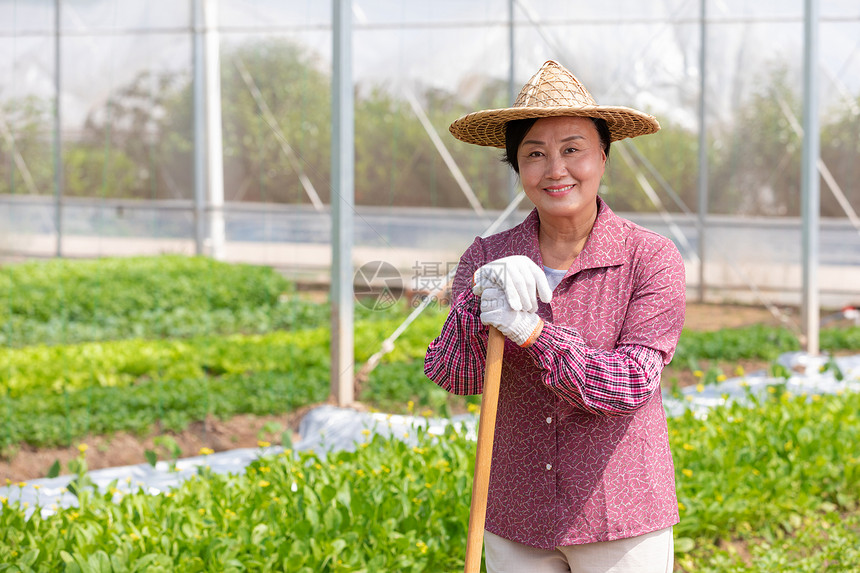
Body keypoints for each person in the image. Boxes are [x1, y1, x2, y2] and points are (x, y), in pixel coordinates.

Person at [424, 60, 686, 573]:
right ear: (517, 167)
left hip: (620, 517)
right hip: (516, 514)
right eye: (535, 154)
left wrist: (532, 333)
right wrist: (477, 307)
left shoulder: (649, 258)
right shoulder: (486, 258)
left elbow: (631, 384)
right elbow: (456, 375)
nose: (555, 170)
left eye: (572, 150)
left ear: (603, 158)